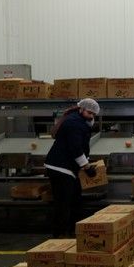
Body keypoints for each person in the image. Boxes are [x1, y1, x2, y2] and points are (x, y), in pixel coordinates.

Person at [44, 98, 99, 238]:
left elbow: (80, 147)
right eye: (89, 112)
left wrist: (85, 162)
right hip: (60, 167)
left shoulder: (79, 121)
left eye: (93, 114)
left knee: (74, 200)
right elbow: (75, 147)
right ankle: (59, 235)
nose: (91, 116)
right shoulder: (74, 123)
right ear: (81, 109)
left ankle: (73, 231)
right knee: (63, 203)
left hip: (67, 167)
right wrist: (86, 167)